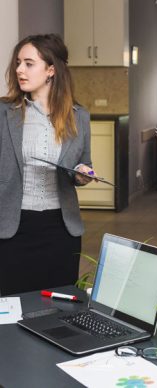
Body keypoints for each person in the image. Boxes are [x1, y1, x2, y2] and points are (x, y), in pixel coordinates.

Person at [0, 34, 95, 296]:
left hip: (61, 232)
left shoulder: (79, 116)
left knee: (59, 307)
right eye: (18, 62)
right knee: (12, 309)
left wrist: (83, 175)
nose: (19, 69)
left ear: (51, 70)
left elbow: (84, 164)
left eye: (29, 63)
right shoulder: (4, 112)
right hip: (12, 229)